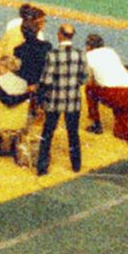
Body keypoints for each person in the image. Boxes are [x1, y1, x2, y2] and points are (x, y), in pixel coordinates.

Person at [35, 22, 87, 177]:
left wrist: (40, 97)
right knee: (73, 133)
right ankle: (76, 165)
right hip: (73, 99)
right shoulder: (80, 54)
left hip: (54, 100)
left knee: (47, 133)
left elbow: (46, 79)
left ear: (60, 35)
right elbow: (84, 77)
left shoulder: (53, 54)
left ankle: (42, 166)